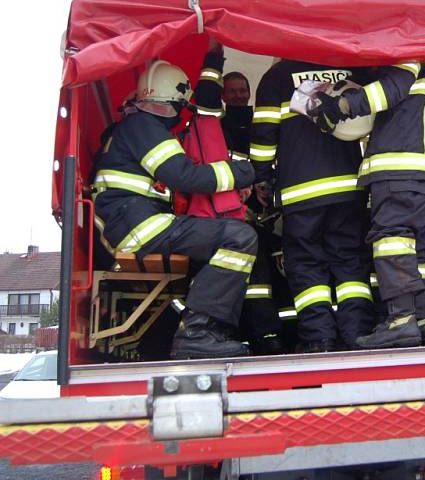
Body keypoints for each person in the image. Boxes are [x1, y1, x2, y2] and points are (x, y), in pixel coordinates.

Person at [92, 57, 257, 359]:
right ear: (175, 98)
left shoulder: (133, 127)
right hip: (140, 227)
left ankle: (209, 333)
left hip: (133, 224)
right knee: (240, 237)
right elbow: (185, 175)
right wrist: (243, 172)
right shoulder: (144, 125)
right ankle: (196, 333)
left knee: (215, 254)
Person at [311, 62, 425, 348]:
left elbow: (388, 91)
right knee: (415, 247)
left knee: (391, 239)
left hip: (399, 168)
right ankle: (424, 321)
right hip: (414, 170)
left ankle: (400, 321)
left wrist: (341, 106)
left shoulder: (406, 52)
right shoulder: (408, 58)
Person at [250, 60, 373, 352]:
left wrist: (262, 178)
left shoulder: (277, 76)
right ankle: (357, 332)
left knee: (306, 264)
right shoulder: (352, 68)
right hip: (348, 188)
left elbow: (264, 135)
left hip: (301, 192)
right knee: (351, 263)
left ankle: (319, 337)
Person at [192, 62, 284, 355]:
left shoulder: (261, 124)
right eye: (231, 91)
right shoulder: (217, 126)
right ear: (223, 96)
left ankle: (268, 334)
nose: (238, 96)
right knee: (231, 276)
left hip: (261, 218)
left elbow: (269, 164)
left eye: (242, 90)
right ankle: (230, 333)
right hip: (224, 216)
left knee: (265, 278)